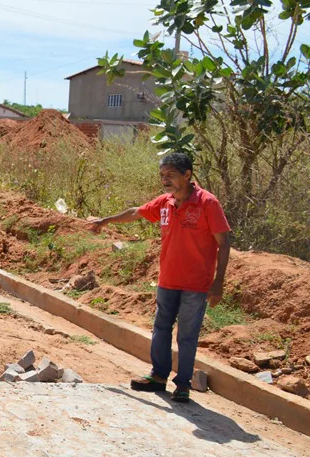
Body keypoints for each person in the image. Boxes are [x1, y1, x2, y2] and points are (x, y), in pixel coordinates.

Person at [87, 152, 231, 402]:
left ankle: (183, 384)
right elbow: (137, 212)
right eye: (162, 175)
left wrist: (218, 282)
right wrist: (106, 220)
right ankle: (158, 376)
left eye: (171, 175)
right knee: (161, 329)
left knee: (186, 334)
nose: (165, 180)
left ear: (187, 175)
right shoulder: (165, 203)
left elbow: (224, 242)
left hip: (196, 284)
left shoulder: (207, 203)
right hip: (168, 280)